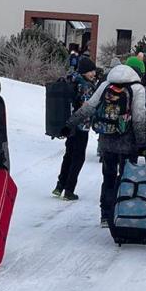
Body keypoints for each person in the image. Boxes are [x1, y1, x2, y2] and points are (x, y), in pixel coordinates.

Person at [68, 58, 146, 226]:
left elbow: (89, 107)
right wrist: (142, 144)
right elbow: (139, 118)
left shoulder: (106, 84)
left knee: (108, 178)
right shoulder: (137, 88)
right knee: (127, 178)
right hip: (128, 143)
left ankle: (105, 215)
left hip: (107, 140)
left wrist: (70, 123)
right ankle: (122, 212)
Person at [53, 53, 99, 200]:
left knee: (68, 155)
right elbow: (86, 108)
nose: (93, 74)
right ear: (84, 71)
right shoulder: (85, 86)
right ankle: (69, 190)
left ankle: (60, 186)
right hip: (80, 126)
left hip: (69, 124)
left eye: (93, 71)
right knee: (78, 158)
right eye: (90, 71)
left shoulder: (72, 80)